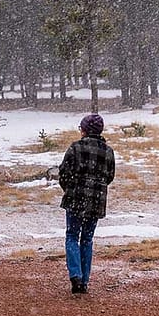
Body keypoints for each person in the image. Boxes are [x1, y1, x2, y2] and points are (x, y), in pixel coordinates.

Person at [58, 113, 115, 294]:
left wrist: (70, 188)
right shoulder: (108, 151)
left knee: (72, 236)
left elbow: (63, 173)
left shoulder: (75, 148)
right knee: (87, 238)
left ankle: (76, 275)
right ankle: (84, 280)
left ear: (84, 130)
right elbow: (109, 176)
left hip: (75, 198)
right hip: (96, 201)